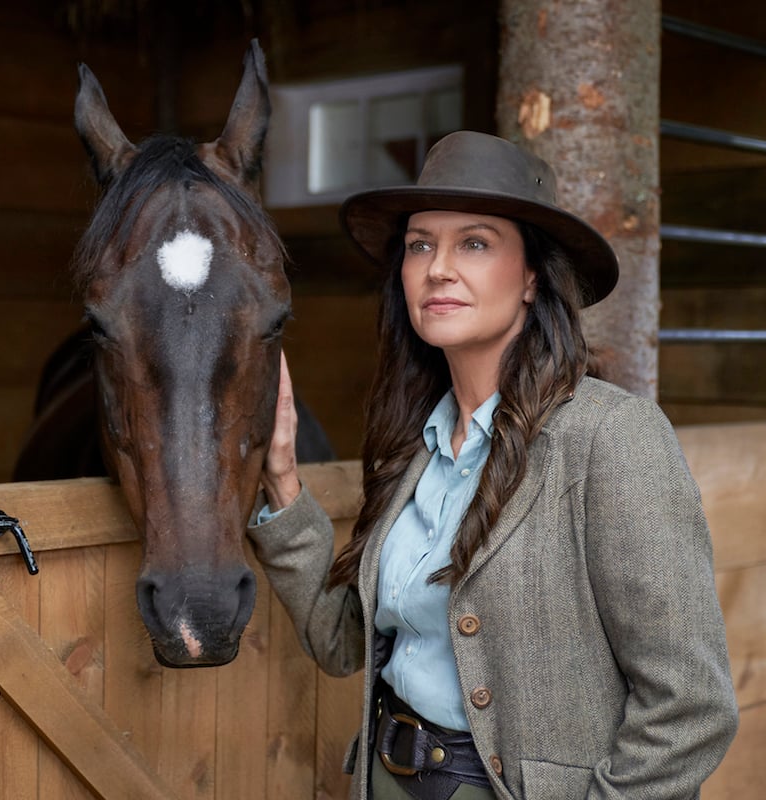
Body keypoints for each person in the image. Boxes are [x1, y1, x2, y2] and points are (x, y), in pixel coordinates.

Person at [248, 130, 738, 800]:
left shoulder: (611, 438)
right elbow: (341, 643)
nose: (438, 268)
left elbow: (692, 708)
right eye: (421, 244)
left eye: (473, 243)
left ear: (532, 276)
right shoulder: (413, 446)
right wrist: (281, 481)